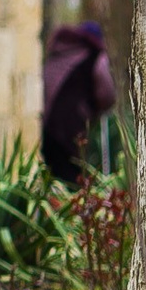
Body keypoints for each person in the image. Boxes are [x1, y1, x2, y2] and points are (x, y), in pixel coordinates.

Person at [40, 21, 116, 185]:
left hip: (48, 128)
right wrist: (95, 109)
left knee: (52, 179)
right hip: (73, 128)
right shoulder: (95, 56)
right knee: (72, 178)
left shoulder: (57, 54)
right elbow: (107, 95)